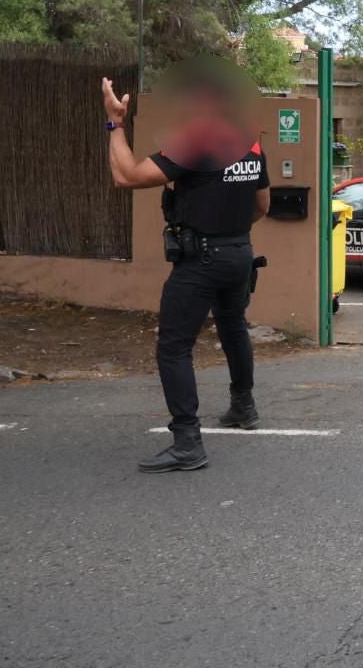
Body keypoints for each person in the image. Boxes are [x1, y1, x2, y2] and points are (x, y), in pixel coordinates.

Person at [101, 77, 269, 473]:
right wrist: (228, 232)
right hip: (239, 253)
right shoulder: (250, 144)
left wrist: (115, 123)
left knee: (173, 347)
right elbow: (263, 204)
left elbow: (126, 176)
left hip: (202, 260)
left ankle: (187, 442)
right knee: (233, 327)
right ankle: (243, 406)